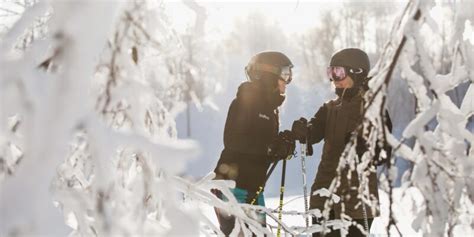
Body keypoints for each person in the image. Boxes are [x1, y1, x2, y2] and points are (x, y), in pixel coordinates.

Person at [291, 48, 392, 237]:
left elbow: (384, 151)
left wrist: (364, 146)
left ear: (357, 72)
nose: (334, 78)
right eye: (331, 72)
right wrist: (304, 132)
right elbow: (313, 132)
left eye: (338, 72)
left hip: (355, 202)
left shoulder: (373, 108)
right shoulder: (330, 109)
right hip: (323, 198)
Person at [212, 51, 296, 235]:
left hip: (253, 187)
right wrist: (270, 147)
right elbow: (234, 140)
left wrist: (283, 144)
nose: (287, 80)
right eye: (284, 74)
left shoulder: (270, 108)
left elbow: (259, 143)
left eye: (289, 74)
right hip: (233, 188)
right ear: (268, 75)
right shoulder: (244, 101)